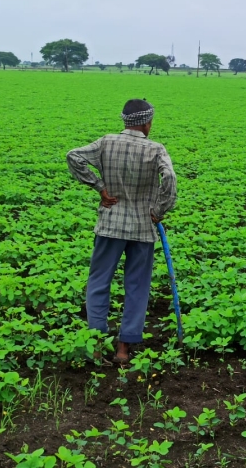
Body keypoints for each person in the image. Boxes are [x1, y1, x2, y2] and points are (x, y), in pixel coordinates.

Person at [66, 98, 177, 364]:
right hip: (141, 227)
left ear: (125, 121)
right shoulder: (155, 149)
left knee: (99, 282)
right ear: (147, 123)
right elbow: (170, 179)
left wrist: (99, 187)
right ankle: (123, 349)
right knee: (137, 286)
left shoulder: (106, 142)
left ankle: (96, 344)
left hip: (110, 224)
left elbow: (74, 156)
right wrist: (159, 211)